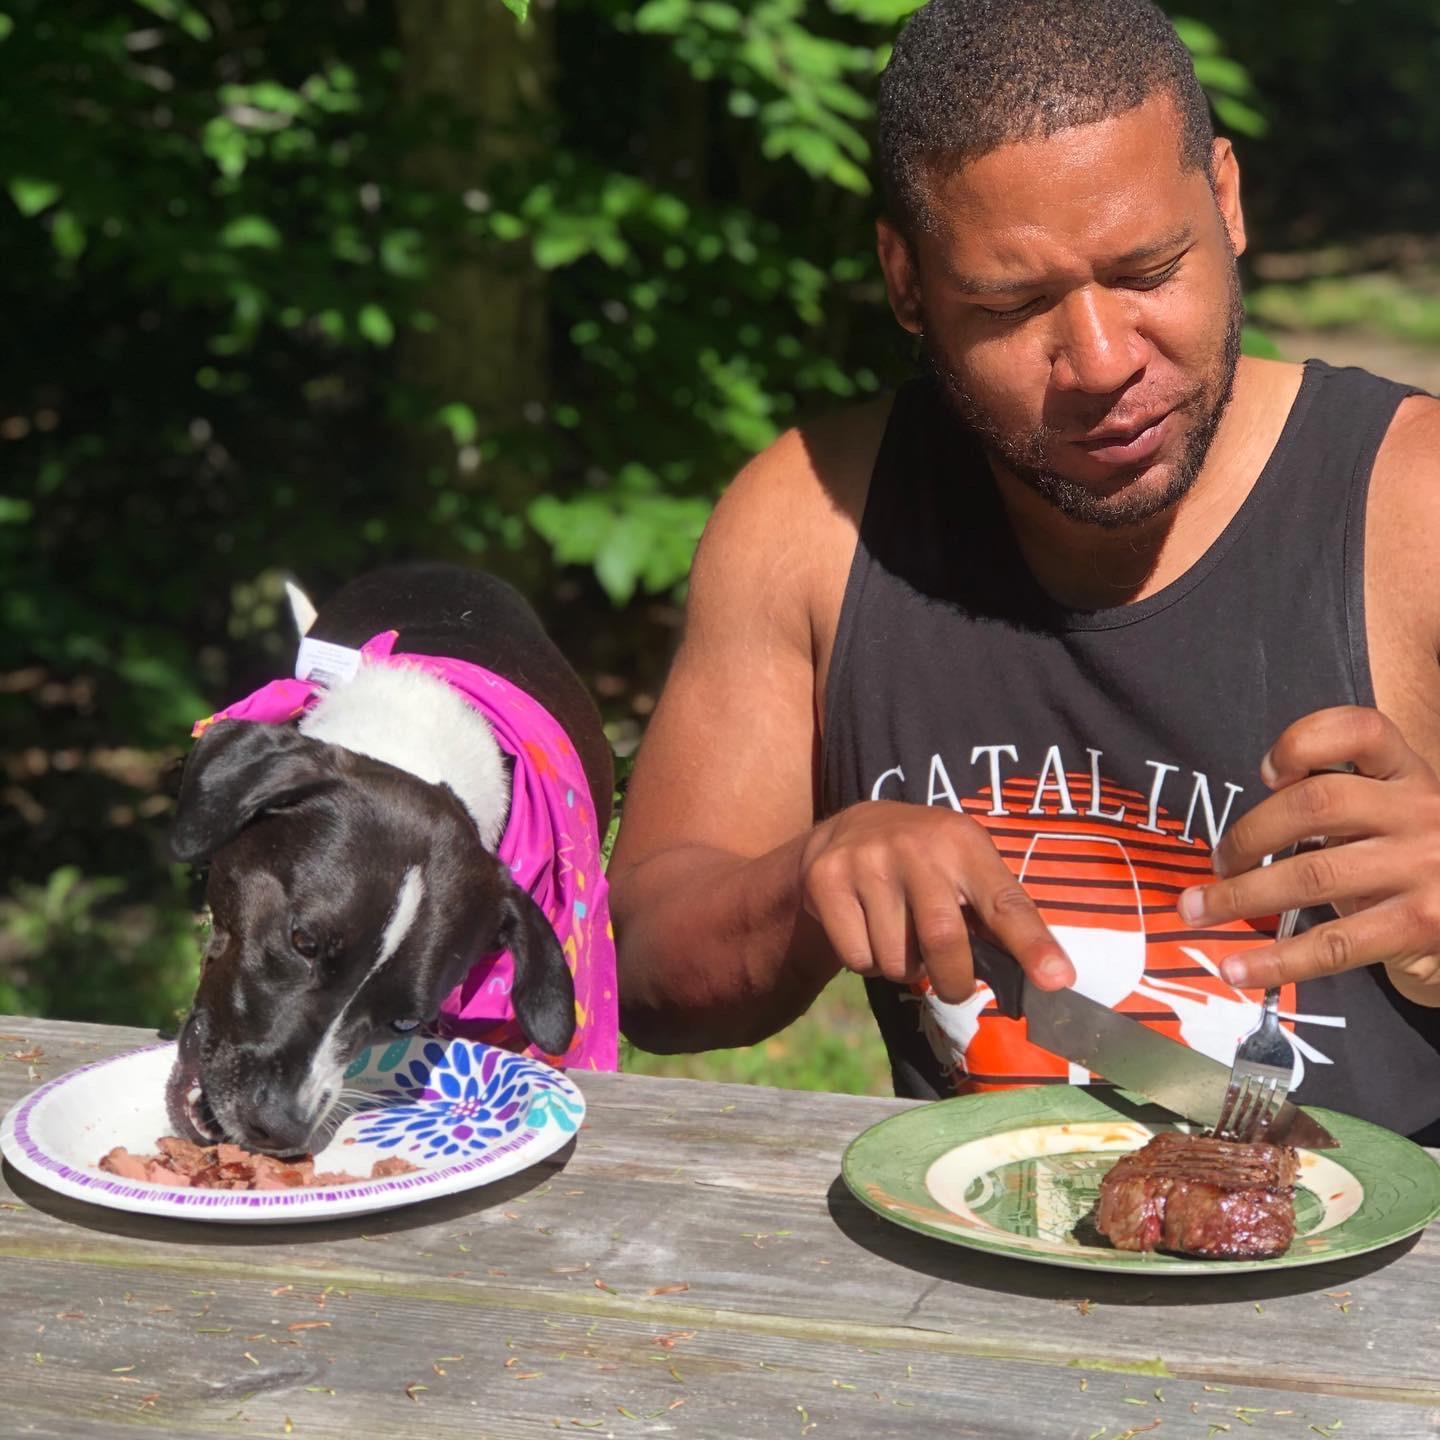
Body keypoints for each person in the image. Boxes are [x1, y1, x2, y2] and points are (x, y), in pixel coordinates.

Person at [607, 0, 1440, 1142]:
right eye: (1012, 306)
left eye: (1148, 270)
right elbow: (647, 974)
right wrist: (808, 878)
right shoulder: (812, 523)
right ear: (907, 282)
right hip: (977, 1293)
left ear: (1228, 200)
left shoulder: (1415, 506)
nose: (1101, 363)